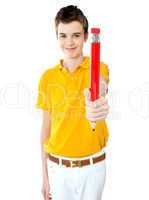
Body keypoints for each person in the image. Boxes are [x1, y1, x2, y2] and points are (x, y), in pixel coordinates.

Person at [36, 5, 110, 200]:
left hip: (93, 169)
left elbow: (101, 84)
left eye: (76, 35)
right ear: (57, 37)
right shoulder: (47, 78)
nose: (69, 42)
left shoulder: (99, 67)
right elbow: (45, 129)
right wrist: (44, 177)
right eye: (63, 35)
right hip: (58, 170)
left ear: (85, 37)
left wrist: (98, 100)